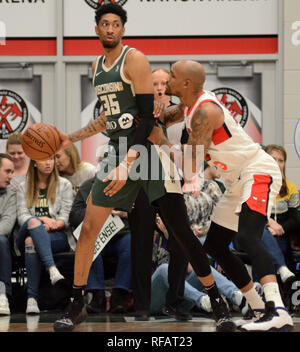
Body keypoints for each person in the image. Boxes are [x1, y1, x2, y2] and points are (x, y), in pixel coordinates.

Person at [52, 3, 234, 332]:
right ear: (96, 29)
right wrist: (72, 137)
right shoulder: (95, 66)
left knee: (181, 233)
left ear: (123, 30)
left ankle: (217, 302)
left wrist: (127, 163)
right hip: (117, 152)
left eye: (115, 24)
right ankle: (77, 303)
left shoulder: (134, 60)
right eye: (104, 23)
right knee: (89, 229)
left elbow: (146, 118)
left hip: (147, 154)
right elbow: (111, 116)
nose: (109, 28)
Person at [148, 59, 294, 332]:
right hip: (235, 180)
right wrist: (150, 114)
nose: (168, 79)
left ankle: (278, 311)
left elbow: (191, 167)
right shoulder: (189, 107)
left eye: (174, 75)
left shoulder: (205, 111)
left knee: (249, 236)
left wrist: (162, 141)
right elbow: (165, 117)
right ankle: (258, 307)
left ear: (187, 83)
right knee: (214, 246)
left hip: (256, 171)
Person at [127, 67, 190, 322]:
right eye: (155, 83)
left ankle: (175, 301)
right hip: (142, 181)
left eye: (165, 83)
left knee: (181, 242)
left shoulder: (180, 115)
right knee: (141, 243)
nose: (161, 88)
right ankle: (141, 305)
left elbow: (188, 151)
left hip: (172, 181)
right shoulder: (135, 112)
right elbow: (126, 147)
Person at [16, 157, 74, 314]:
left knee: (31, 241)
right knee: (33, 224)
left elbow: (66, 216)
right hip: (28, 229)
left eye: (52, 159)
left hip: (56, 234)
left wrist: (55, 224)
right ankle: (52, 269)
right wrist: (42, 220)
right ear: (34, 162)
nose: (49, 163)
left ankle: (32, 299)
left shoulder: (64, 184)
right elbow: (22, 217)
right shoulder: (24, 187)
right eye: (44, 159)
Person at [69, 175, 132, 314]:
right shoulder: (87, 186)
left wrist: (125, 213)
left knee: (130, 243)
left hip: (121, 235)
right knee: (87, 244)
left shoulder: (129, 186)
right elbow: (73, 216)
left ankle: (119, 295)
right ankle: (98, 296)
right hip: (96, 235)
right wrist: (98, 211)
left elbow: (140, 213)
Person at [262, 145, 299, 282]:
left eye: (281, 160)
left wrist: (278, 229)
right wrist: (269, 224)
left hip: (280, 233)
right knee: (261, 249)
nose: (277, 164)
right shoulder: (254, 184)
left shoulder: (290, 187)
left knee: (279, 245)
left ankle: (279, 295)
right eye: (273, 159)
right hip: (256, 231)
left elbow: (294, 220)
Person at [0, 154, 15, 315]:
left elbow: (6, 226)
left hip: (5, 241)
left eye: (13, 172)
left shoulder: (12, 193)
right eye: (7, 171)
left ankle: (2, 295)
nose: (11, 176)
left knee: (1, 240)